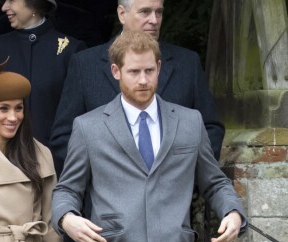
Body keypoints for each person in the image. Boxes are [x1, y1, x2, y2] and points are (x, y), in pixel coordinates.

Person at [52, 30, 247, 242]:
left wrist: (233, 212)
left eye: (149, 70)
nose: (143, 80)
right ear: (115, 71)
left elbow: (215, 182)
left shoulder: (190, 122)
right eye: (133, 72)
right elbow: (66, 190)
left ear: (159, 68)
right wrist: (67, 218)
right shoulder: (88, 127)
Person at [50, 0, 225, 178]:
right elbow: (63, 138)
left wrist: (185, 177)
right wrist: (98, 182)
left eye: (159, 12)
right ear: (122, 14)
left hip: (173, 198)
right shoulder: (85, 65)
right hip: (104, 200)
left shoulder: (187, 63)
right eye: (145, 12)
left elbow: (211, 129)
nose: (154, 20)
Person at [0, 0, 86, 242]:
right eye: (3, 107)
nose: (4, 5)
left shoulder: (70, 49)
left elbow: (74, 119)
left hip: (49, 172)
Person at [0, 58, 66, 242]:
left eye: (19, 108)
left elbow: (53, 228)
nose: (13, 117)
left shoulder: (40, 153)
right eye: (3, 108)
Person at [0, 0, 86, 149]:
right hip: (5, 157)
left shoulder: (71, 49)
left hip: (55, 159)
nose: (4, 7)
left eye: (12, 1)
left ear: (34, 4)